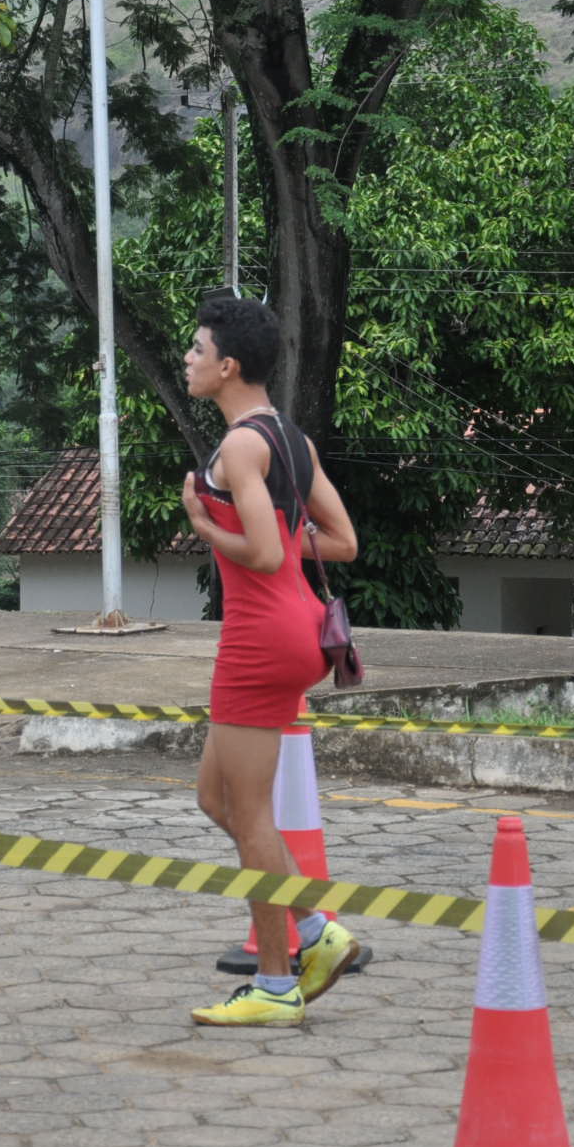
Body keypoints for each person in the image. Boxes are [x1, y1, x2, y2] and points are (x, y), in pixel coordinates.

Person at [179, 297, 363, 1026]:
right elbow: (342, 542)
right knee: (216, 800)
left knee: (250, 814)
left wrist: (203, 525)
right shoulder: (291, 439)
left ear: (228, 366)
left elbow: (259, 554)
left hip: (258, 641)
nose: (189, 359)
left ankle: (276, 984)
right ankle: (317, 929)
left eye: (198, 349)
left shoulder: (239, 449)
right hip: (302, 629)